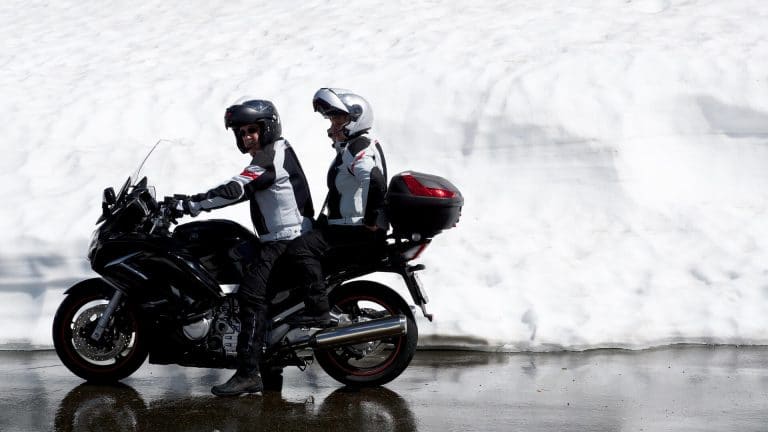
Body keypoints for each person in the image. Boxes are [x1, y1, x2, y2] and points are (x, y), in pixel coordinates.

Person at [174, 99, 314, 396]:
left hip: (285, 239)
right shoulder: (274, 151)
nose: (247, 136)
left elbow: (237, 188)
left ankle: (249, 372)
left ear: (268, 128)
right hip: (284, 236)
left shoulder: (269, 157)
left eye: (253, 129)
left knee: (251, 295)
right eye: (242, 132)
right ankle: (268, 360)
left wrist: (193, 204)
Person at [280, 88, 388, 327]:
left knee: (300, 250)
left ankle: (318, 311)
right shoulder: (352, 147)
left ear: (355, 119)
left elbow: (375, 181)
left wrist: (371, 220)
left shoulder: (358, 148)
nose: (333, 124)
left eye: (339, 118)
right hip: (347, 224)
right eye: (331, 119)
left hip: (356, 229)